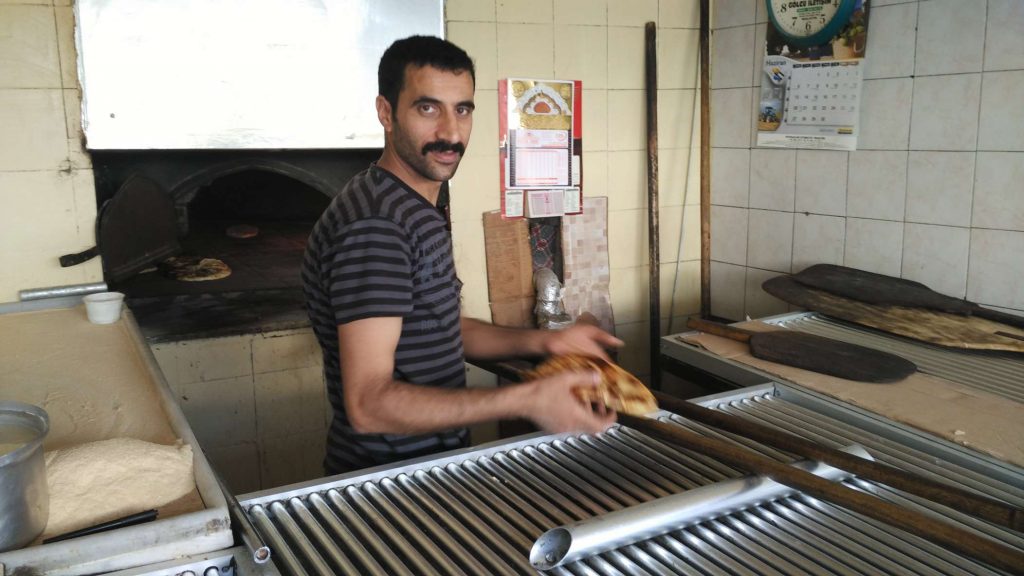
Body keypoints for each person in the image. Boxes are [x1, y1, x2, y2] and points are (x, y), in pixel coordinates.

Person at [301, 35, 623, 475]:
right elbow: (369, 404)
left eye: (463, 109)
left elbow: (439, 329)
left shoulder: (410, 207)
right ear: (386, 112)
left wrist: (546, 341)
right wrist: (528, 398)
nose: (451, 133)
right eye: (427, 108)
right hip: (388, 484)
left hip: (431, 468)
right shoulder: (376, 224)